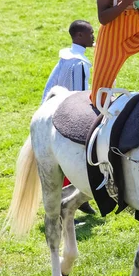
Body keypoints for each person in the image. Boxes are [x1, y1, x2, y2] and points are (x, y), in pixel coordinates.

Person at [42, 20, 96, 216]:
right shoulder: (79, 63)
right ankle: (74, 196)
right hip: (68, 112)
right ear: (79, 36)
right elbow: (79, 94)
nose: (93, 37)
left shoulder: (65, 57)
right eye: (90, 33)